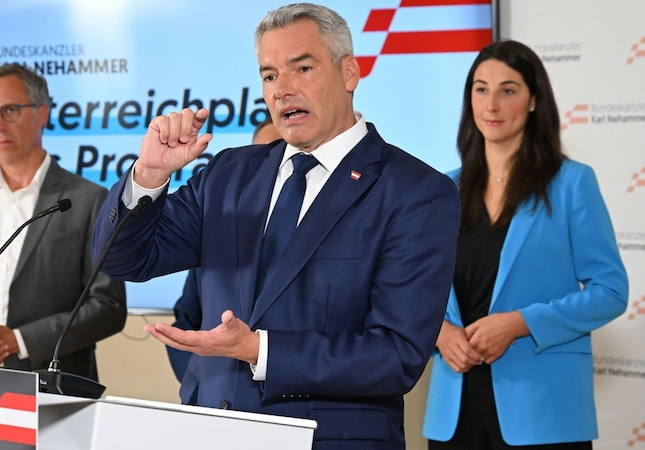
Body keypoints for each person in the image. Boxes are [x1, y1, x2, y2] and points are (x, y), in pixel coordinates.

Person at [93, 3, 460, 447]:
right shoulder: (230, 174)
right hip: (212, 433)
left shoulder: (414, 191)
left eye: (301, 68)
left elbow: (396, 354)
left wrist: (260, 351)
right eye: (269, 75)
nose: (282, 89)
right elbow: (123, 258)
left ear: (349, 73)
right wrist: (149, 175)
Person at [422, 40, 628, 449]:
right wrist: (439, 333)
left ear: (534, 101)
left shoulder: (572, 184)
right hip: (454, 409)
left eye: (508, 90)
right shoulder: (444, 189)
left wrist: (519, 324)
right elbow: (414, 292)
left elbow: (611, 292)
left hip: (544, 413)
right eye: (480, 89)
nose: (491, 104)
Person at [0, 63, 127, 380]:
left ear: (42, 113)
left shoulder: (88, 199)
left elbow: (108, 307)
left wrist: (19, 341)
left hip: (52, 386)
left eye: (10, 110)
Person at [167, 115, 282, 381]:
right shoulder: (220, 229)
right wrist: (197, 378)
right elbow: (186, 319)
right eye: (263, 153)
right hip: (218, 397)